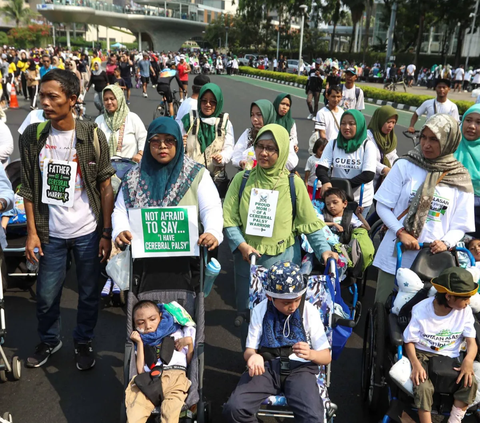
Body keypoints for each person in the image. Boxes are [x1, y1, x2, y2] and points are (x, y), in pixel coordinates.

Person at [19, 69, 116, 370]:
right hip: (51, 232)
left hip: (88, 231)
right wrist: (32, 233)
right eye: (42, 96)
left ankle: (83, 340)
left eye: (52, 96)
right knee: (47, 295)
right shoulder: (32, 137)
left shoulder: (91, 134)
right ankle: (50, 339)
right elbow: (28, 188)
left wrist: (106, 232)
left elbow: (105, 185)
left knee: (88, 293)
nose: (44, 102)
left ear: (72, 99)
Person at [223, 124, 338, 347]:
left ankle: (281, 363)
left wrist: (324, 250)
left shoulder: (293, 184)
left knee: (283, 315)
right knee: (250, 315)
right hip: (248, 263)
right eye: (260, 147)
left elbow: (310, 224)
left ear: (283, 150)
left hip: (285, 262)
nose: (264, 153)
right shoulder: (242, 181)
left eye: (271, 149)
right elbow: (229, 220)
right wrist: (242, 246)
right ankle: (251, 362)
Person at [373, 114, 475, 304]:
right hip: (397, 252)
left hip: (434, 260)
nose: (426, 144)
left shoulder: (460, 177)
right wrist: (401, 232)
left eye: (434, 139)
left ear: (449, 141)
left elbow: (461, 224)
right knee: (383, 307)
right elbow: (383, 205)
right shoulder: (405, 165)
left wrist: (445, 242)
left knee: (428, 315)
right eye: (423, 137)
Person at [223, 261, 331, 423]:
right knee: (234, 408)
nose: (293, 306)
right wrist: (253, 356)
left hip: (300, 369)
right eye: (286, 302)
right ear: (270, 297)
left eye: (297, 299)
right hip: (267, 367)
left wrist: (311, 353)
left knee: (314, 417)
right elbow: (250, 350)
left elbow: (326, 356)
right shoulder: (261, 309)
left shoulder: (309, 311)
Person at [112, 117, 223, 256]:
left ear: (178, 142)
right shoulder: (133, 177)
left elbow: (211, 208)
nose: (162, 146)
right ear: (148, 143)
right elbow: (120, 210)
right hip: (143, 263)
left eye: (169, 140)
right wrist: (120, 229)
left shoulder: (196, 174)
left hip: (186, 263)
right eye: (155, 140)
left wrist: (212, 231)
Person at [404, 267, 478, 423]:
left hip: (451, 356)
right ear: (449, 296)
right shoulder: (421, 310)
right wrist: (416, 364)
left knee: (470, 383)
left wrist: (468, 360)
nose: (468, 302)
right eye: (465, 298)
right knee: (422, 386)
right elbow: (409, 341)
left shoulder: (465, 312)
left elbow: (471, 342)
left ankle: (454, 420)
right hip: (422, 354)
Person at [125, 300, 195, 423]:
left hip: (175, 377)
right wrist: (140, 343)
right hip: (150, 380)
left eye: (152, 319)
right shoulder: (141, 340)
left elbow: (190, 362)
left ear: (161, 317)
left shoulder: (177, 331)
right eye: (141, 323)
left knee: (170, 412)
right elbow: (141, 370)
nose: (148, 326)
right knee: (135, 413)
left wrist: (188, 343)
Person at [316, 110, 376, 218]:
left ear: (360, 125)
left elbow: (368, 174)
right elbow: (321, 168)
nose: (346, 127)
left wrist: (341, 188)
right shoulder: (333, 143)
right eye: (343, 123)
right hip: (335, 201)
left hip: (359, 200)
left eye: (351, 124)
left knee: (355, 232)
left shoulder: (368, 146)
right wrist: (325, 182)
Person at [181, 83, 234, 183]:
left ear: (218, 102)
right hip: (189, 178)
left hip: (214, 179)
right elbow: (177, 145)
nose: (208, 104)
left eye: (212, 102)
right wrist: (180, 144)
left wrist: (222, 157)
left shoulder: (225, 123)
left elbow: (229, 147)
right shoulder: (189, 120)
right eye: (204, 101)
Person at [232, 100, 298, 171]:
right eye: (252, 115)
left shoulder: (279, 134)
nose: (254, 119)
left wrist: (270, 166)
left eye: (259, 114)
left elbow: (291, 161)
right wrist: (241, 162)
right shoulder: (249, 133)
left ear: (268, 115)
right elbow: (236, 155)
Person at [95, 84, 146, 163]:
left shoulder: (132, 118)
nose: (109, 102)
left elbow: (143, 138)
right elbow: (94, 144)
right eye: (106, 99)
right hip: (105, 170)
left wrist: (140, 153)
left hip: (130, 168)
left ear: (119, 99)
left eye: (112, 99)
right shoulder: (99, 120)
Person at [454, 104, 480, 238]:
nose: (472, 126)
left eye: (478, 122)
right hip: (448, 211)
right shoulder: (449, 146)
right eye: (468, 120)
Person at [367, 105, 399, 190]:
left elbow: (393, 156)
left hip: (385, 183)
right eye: (388, 122)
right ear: (380, 120)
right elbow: (367, 159)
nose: (391, 126)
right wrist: (383, 169)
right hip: (370, 182)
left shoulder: (392, 137)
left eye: (394, 122)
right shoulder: (368, 136)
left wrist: (400, 164)